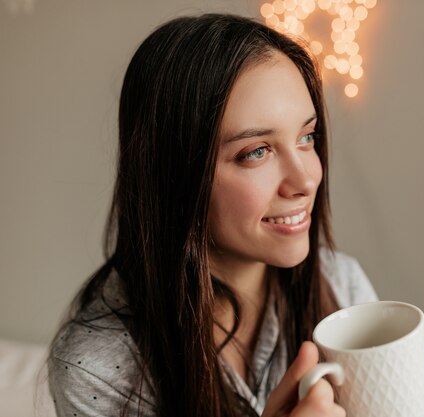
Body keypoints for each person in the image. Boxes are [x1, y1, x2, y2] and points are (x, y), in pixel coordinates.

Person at [47, 13, 377, 417]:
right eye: (256, 151)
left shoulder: (343, 287)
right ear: (175, 176)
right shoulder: (99, 368)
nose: (306, 179)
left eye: (307, 138)